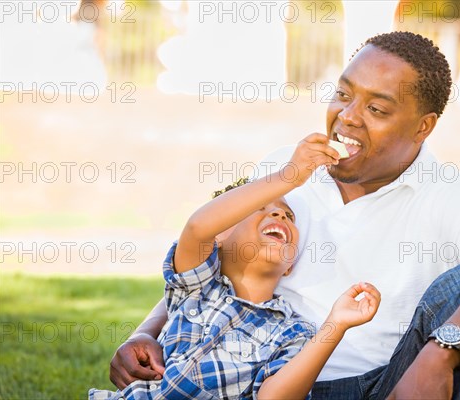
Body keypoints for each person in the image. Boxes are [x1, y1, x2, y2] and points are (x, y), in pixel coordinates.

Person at [110, 31, 460, 399]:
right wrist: (147, 331)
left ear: (423, 126)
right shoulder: (288, 167)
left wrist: (440, 355)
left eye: (376, 109)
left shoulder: (450, 195)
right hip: (264, 381)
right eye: (342, 94)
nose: (347, 118)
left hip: (388, 384)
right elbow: (215, 263)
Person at [92, 136, 381, 399]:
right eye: (259, 208)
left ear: (290, 266)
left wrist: (335, 325)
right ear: (220, 234)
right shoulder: (197, 286)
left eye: (288, 215)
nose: (279, 212)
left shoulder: (293, 332)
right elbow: (197, 227)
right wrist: (288, 176)